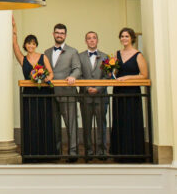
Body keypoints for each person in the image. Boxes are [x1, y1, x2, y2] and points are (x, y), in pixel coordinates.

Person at [11, 17, 57, 162]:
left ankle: (47, 154)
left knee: (45, 120)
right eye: (29, 43)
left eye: (33, 43)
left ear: (36, 45)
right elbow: (14, 45)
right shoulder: (22, 59)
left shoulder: (43, 57)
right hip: (29, 93)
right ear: (25, 45)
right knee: (31, 122)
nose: (31, 46)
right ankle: (31, 153)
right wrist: (14, 29)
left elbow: (51, 72)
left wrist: (47, 78)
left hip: (44, 92)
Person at [109, 27, 149, 161]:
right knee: (119, 119)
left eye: (126, 36)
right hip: (119, 91)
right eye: (122, 36)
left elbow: (144, 75)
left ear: (132, 38)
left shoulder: (138, 55)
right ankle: (119, 153)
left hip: (132, 92)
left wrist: (127, 78)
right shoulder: (117, 54)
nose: (124, 39)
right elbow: (114, 73)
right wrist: (110, 71)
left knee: (131, 120)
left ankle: (134, 153)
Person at [46, 23, 81, 159]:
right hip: (51, 93)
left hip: (67, 93)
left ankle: (73, 153)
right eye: (57, 32)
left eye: (62, 33)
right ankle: (56, 152)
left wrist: (73, 76)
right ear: (53, 34)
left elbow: (77, 68)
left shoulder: (73, 51)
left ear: (65, 35)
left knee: (71, 125)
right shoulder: (47, 52)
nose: (59, 35)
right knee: (54, 126)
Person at [79, 31, 111, 161]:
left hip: (101, 96)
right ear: (86, 41)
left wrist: (97, 89)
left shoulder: (105, 57)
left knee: (101, 124)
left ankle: (102, 151)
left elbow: (107, 77)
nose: (91, 40)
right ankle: (89, 152)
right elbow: (78, 74)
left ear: (97, 40)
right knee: (86, 125)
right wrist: (87, 88)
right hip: (85, 96)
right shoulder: (79, 56)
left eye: (94, 38)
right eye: (89, 38)